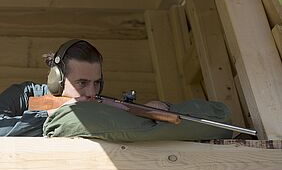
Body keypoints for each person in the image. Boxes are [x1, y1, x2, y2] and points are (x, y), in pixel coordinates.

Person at [0, 39, 170, 137]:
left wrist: (149, 111)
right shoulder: (26, 95)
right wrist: (55, 113)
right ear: (57, 81)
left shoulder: (100, 103)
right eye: (82, 83)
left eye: (96, 83)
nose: (91, 92)